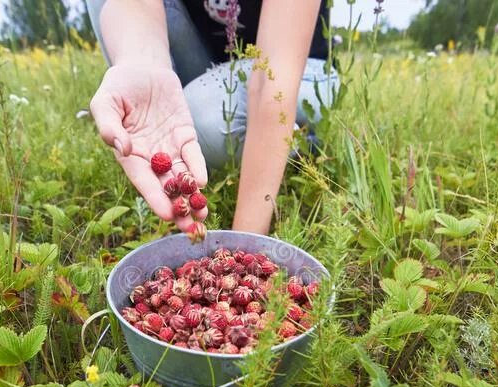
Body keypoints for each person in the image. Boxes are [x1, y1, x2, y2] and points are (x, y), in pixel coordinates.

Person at [88, 0, 339, 235]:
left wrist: (244, 245)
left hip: (299, 70)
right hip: (216, 68)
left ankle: (299, 139)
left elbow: (270, 82)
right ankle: (186, 110)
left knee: (206, 119)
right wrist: (141, 65)